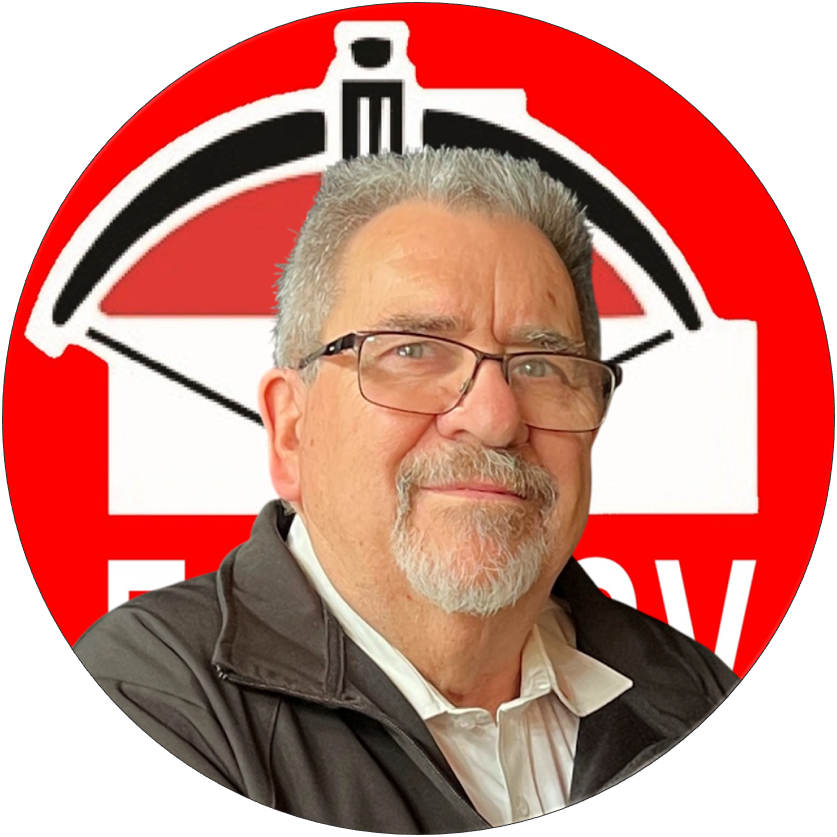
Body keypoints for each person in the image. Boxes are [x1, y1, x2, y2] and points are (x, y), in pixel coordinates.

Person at [74, 147, 737, 830]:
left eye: (540, 365)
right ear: (292, 428)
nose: (494, 418)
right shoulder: (154, 697)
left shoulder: (698, 695)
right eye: (413, 351)